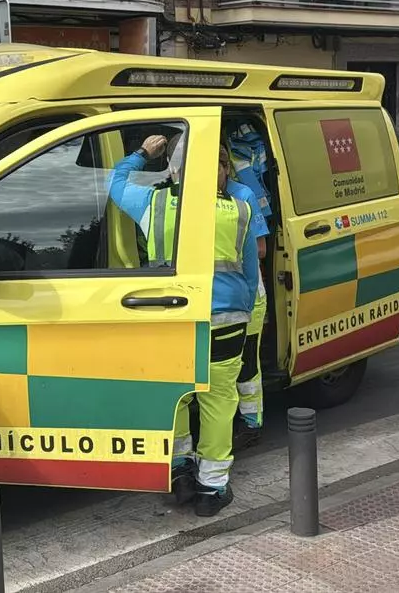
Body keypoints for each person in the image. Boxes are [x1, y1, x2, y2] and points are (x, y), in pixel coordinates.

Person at [107, 133, 260, 517]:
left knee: (174, 398)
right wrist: (237, 308)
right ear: (221, 171)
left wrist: (143, 153)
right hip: (225, 318)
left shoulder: (152, 203)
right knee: (219, 402)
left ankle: (179, 473)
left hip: (171, 320)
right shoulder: (238, 210)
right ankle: (213, 487)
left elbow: (115, 184)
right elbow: (251, 272)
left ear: (175, 170)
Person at [226, 124, 273, 449]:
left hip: (248, 295)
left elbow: (260, 249)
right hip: (223, 297)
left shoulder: (243, 195)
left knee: (246, 361)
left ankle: (251, 421)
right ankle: (233, 418)